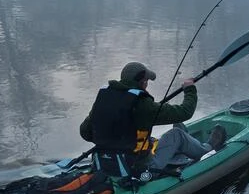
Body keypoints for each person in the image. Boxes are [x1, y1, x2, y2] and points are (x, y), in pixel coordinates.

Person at [79, 61, 227, 177]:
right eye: (147, 81)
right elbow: (185, 112)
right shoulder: (142, 104)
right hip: (139, 168)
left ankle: (181, 148)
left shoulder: (106, 98)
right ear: (142, 82)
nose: (147, 84)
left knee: (173, 128)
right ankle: (208, 148)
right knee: (177, 134)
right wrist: (189, 89)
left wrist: (111, 140)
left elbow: (85, 132)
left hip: (103, 164)